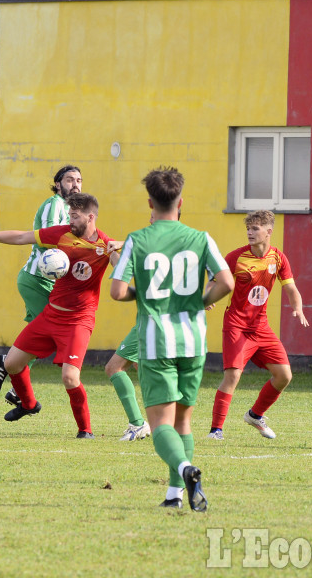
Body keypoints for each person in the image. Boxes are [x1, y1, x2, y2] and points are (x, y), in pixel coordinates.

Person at [111, 166, 234, 511]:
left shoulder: (137, 239)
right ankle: (174, 495)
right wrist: (199, 300)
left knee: (160, 424)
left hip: (156, 342)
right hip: (193, 341)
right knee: (183, 421)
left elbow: (118, 292)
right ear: (181, 202)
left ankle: (184, 469)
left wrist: (145, 293)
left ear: (150, 202)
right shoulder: (201, 237)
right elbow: (226, 282)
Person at [0, 193, 120, 438]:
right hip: (51, 315)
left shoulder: (104, 245)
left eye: (75, 216)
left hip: (79, 320)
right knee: (12, 363)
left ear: (90, 217)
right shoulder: (62, 234)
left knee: (69, 377)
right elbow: (22, 236)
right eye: (69, 215)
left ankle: (85, 430)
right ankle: (29, 404)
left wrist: (121, 249)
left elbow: (123, 269)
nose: (71, 220)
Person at [207, 210, 309, 441]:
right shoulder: (235, 257)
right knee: (232, 375)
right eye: (248, 229)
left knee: (284, 375)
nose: (250, 233)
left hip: (260, 327)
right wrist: (208, 300)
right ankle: (216, 431)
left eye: (255, 229)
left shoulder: (278, 258)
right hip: (236, 325)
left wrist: (298, 307)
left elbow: (291, 288)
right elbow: (213, 282)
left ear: (268, 232)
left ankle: (255, 415)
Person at [0, 165, 83, 407]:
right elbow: (47, 238)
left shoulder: (74, 211)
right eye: (69, 180)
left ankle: (14, 381)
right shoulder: (54, 204)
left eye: (78, 180)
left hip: (45, 282)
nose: (75, 184)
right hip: (37, 279)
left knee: (37, 329)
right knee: (52, 332)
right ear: (58, 184)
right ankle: (10, 368)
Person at [105, 326, 150, 441]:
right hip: (158, 319)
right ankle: (166, 423)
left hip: (153, 319)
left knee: (114, 367)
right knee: (142, 366)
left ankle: (138, 423)